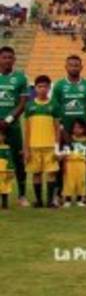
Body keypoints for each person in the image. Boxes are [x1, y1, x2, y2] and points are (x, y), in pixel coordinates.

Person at [51, 54, 86, 204]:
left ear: (81, 67)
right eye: (71, 65)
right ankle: (59, 195)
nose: (74, 67)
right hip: (63, 131)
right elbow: (55, 110)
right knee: (62, 163)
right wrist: (61, 130)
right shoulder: (59, 86)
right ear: (65, 67)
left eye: (76, 65)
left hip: (82, 133)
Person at [23, 75, 60, 208]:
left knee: (51, 173)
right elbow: (27, 130)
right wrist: (26, 149)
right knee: (36, 173)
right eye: (40, 87)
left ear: (49, 88)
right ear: (35, 88)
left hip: (50, 146)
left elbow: (57, 129)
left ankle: (50, 201)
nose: (42, 89)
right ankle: (39, 201)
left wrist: (57, 148)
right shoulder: (29, 106)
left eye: (45, 87)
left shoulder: (54, 105)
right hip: (34, 146)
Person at [0, 45, 30, 207]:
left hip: (12, 126)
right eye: (4, 57)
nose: (7, 60)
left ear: (14, 60)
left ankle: (22, 195)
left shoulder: (20, 78)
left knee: (18, 160)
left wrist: (9, 119)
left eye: (10, 57)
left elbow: (23, 103)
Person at [60, 120, 86, 207]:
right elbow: (65, 152)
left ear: (84, 129)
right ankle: (67, 200)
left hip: (81, 164)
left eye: (80, 128)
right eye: (75, 127)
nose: (77, 130)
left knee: (81, 181)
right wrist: (64, 164)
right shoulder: (69, 139)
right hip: (70, 163)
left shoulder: (85, 141)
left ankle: (79, 199)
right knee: (69, 182)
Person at [0, 128, 12, 209]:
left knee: (5, 188)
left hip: (4, 172)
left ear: (4, 137)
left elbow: (10, 161)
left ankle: (5, 204)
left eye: (0, 136)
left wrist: (10, 171)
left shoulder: (7, 148)